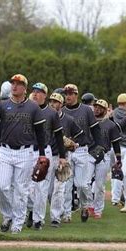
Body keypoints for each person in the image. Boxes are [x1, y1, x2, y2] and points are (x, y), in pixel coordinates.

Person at [0, 74, 47, 234]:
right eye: (13, 83)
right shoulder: (3, 105)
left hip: (25, 152)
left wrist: (42, 154)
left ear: (25, 88)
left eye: (18, 84)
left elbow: (40, 132)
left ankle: (17, 224)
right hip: (5, 150)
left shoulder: (33, 107)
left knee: (21, 190)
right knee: (1, 186)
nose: (14, 86)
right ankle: (8, 215)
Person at [26, 82, 67, 230]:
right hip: (28, 151)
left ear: (44, 95)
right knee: (28, 188)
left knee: (41, 188)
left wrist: (62, 156)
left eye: (39, 91)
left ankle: (38, 220)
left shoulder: (51, 113)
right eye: (34, 91)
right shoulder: (28, 109)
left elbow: (58, 136)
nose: (35, 94)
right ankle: (31, 210)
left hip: (46, 152)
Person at [62, 84, 103, 222]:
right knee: (66, 183)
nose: (67, 96)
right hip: (67, 151)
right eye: (66, 93)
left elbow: (95, 129)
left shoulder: (86, 110)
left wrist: (99, 146)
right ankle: (67, 214)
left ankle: (85, 205)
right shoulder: (61, 110)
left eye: (70, 93)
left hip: (82, 150)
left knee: (82, 184)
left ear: (76, 95)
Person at [47, 92, 83, 226]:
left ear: (61, 104)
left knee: (59, 188)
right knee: (49, 191)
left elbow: (80, 134)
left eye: (55, 101)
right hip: (48, 155)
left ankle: (55, 218)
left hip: (62, 157)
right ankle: (59, 209)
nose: (52, 103)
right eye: (51, 101)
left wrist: (73, 142)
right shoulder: (46, 117)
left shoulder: (68, 119)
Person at [91, 99, 122, 218]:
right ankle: (88, 206)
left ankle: (98, 210)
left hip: (104, 156)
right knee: (84, 183)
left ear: (105, 110)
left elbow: (116, 143)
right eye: (95, 107)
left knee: (99, 185)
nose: (97, 109)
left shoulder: (110, 124)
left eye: (100, 107)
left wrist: (118, 159)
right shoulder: (90, 122)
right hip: (89, 154)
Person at [109, 93, 126, 207]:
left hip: (113, 145)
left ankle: (115, 196)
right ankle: (118, 197)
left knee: (114, 171)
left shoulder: (113, 113)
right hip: (124, 146)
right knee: (124, 173)